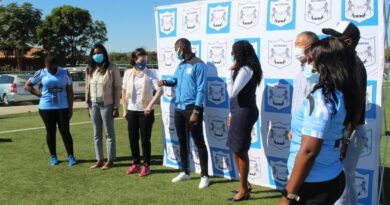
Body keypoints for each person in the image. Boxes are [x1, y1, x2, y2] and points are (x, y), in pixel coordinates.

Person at [279, 37, 364, 205]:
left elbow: (309, 152)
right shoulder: (343, 91)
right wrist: (344, 143)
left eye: (311, 60)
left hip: (314, 185)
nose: (307, 64)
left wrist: (287, 196)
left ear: (325, 64)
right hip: (331, 176)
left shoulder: (322, 99)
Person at [323, 21, 368, 205]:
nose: (330, 42)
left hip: (350, 131)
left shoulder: (352, 65)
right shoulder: (347, 63)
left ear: (348, 42)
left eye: (335, 38)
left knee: (341, 186)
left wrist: (345, 141)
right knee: (346, 183)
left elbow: (356, 106)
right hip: (348, 131)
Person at [158, 38, 209, 189]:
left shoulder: (199, 64)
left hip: (192, 108)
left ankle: (204, 175)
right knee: (182, 141)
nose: (176, 53)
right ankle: (185, 171)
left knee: (199, 142)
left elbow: (201, 89)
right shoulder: (180, 65)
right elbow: (175, 80)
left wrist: (196, 111)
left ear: (182, 48)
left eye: (176, 50)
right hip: (179, 109)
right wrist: (166, 81)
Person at [226, 40, 262, 201]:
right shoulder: (244, 69)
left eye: (234, 52)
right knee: (234, 148)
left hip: (244, 113)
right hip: (237, 112)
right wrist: (231, 114)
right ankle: (245, 183)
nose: (232, 54)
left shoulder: (246, 69)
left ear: (240, 53)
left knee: (241, 150)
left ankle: (244, 190)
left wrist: (229, 72)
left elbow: (232, 92)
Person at [25, 55, 76, 166]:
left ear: (56, 65)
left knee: (65, 131)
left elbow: (70, 91)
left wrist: (70, 108)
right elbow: (28, 85)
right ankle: (53, 156)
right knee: (50, 132)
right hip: (46, 108)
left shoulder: (64, 73)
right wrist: (40, 94)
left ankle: (71, 156)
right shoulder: (41, 72)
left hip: (63, 107)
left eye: (50, 67)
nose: (48, 69)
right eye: (47, 67)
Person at [122, 48, 163, 177]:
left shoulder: (151, 73)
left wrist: (149, 105)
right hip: (132, 110)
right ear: (134, 60)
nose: (144, 63)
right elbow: (123, 92)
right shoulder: (128, 73)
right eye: (141, 60)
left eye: (146, 60)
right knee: (133, 139)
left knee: (145, 140)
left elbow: (159, 91)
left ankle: (146, 165)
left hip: (146, 112)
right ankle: (135, 163)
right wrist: (124, 110)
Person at [85, 43, 121, 170]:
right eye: (94, 53)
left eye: (99, 53)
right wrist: (87, 105)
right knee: (96, 133)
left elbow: (117, 88)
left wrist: (116, 107)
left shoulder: (112, 68)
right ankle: (99, 159)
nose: (96, 55)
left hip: (107, 104)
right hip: (93, 104)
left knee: (109, 133)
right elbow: (87, 87)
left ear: (104, 53)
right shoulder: (90, 68)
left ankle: (110, 160)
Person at [291, 31, 319, 117]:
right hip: (296, 126)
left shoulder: (316, 74)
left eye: (299, 45)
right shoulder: (299, 74)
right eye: (295, 45)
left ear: (310, 48)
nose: (296, 48)